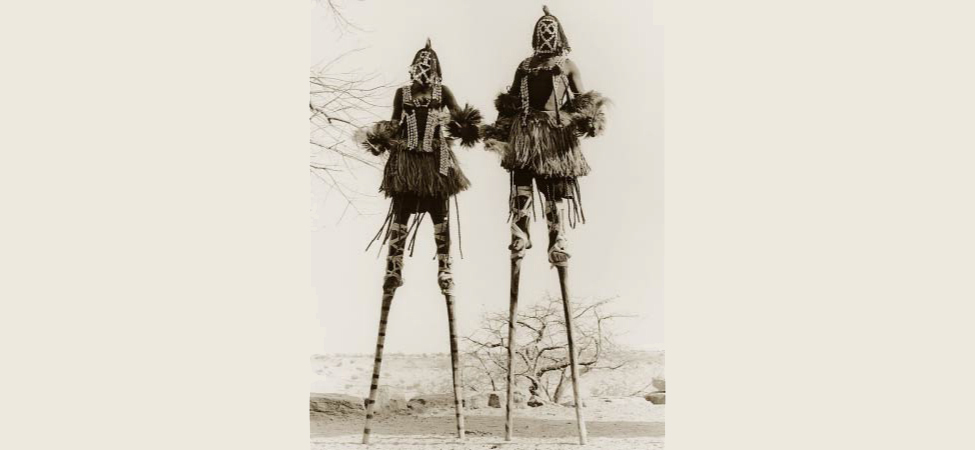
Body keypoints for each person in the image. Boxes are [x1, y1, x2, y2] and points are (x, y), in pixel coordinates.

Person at [482, 6, 607, 444]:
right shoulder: (524, 66)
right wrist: (498, 132)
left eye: (551, 31)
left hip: (554, 140)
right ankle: (520, 231)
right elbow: (511, 104)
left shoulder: (568, 65)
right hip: (524, 137)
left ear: (560, 35)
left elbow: (583, 102)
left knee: (554, 189)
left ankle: (557, 236)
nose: (546, 36)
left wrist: (586, 120)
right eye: (542, 30)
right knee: (520, 186)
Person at [356, 38, 481, 444]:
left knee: (440, 219)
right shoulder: (403, 94)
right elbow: (395, 124)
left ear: (436, 69)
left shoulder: (444, 93)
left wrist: (463, 127)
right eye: (419, 65)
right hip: (408, 166)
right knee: (402, 216)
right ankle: (395, 264)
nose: (423, 71)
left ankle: (445, 266)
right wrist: (383, 136)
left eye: (428, 65)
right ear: (413, 68)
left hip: (438, 169)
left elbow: (464, 124)